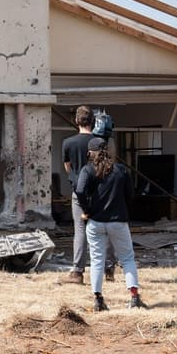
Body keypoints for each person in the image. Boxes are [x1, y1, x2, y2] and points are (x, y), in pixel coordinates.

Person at [74, 137, 144, 311]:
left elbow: (80, 190)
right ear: (108, 151)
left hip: (96, 221)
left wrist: (87, 209)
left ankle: (98, 299)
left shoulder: (87, 170)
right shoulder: (121, 170)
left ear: (90, 153)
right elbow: (131, 195)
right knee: (127, 258)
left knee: (97, 260)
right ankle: (134, 297)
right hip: (118, 221)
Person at [61, 105, 112, 284]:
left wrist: (76, 178)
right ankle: (108, 268)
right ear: (93, 121)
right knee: (102, 228)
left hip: (78, 191)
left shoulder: (68, 143)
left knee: (80, 229)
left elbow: (68, 168)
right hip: (99, 191)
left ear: (76, 121)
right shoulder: (100, 142)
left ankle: (77, 271)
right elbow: (106, 166)